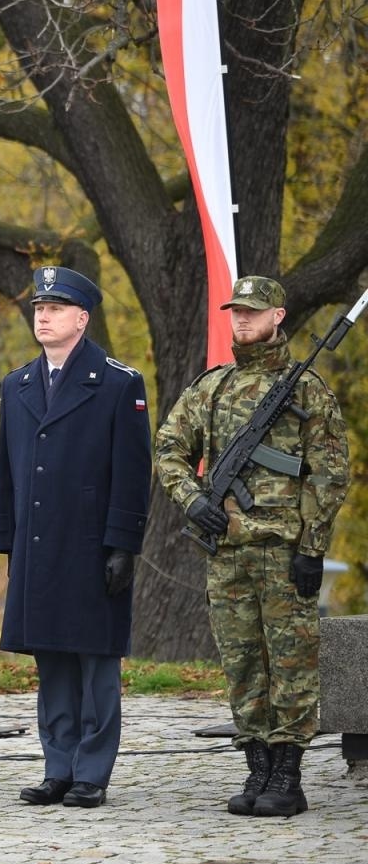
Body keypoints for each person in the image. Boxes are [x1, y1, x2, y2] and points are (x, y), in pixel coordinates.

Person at [155, 275, 349, 818]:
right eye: (236, 311)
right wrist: (193, 500)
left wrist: (312, 546)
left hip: (284, 552)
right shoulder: (212, 388)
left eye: (253, 311)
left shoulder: (306, 389)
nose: (242, 319)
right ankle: (257, 765)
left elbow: (329, 473)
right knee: (242, 664)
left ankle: (287, 773)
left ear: (277, 316)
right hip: (227, 552)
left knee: (290, 664)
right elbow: (169, 448)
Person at [0, 266, 151, 809]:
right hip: (39, 543)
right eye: (39, 308)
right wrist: (7, 537)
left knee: (95, 661)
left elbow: (133, 471)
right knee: (52, 659)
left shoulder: (118, 382)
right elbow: (7, 468)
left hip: (90, 543)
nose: (43, 316)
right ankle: (57, 766)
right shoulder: (17, 384)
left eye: (55, 308)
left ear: (82, 319)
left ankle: (92, 771)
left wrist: (123, 543)